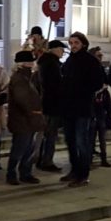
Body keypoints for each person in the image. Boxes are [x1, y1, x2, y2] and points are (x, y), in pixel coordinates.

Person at [61, 32, 106, 187]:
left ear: (83, 44)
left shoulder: (91, 61)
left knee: (82, 142)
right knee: (70, 141)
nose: (73, 46)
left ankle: (83, 174)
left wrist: (81, 89)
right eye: (71, 43)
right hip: (68, 107)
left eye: (76, 43)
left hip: (82, 107)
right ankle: (74, 170)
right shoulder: (69, 60)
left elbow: (98, 83)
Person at [5, 51, 44, 186]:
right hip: (23, 120)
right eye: (31, 61)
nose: (33, 63)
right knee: (20, 148)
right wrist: (32, 112)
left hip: (27, 119)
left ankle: (25, 173)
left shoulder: (26, 77)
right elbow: (22, 99)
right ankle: (12, 173)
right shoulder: (20, 79)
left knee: (28, 147)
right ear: (26, 63)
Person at [36, 40, 65, 173]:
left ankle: (40, 159)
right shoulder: (52, 64)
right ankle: (46, 160)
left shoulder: (45, 62)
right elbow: (55, 85)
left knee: (46, 134)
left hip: (47, 102)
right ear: (54, 49)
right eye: (61, 48)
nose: (63, 51)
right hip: (52, 104)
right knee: (50, 134)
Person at [89, 47, 111, 168]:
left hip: (101, 106)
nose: (101, 58)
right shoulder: (89, 69)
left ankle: (104, 157)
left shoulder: (101, 69)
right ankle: (89, 157)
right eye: (98, 56)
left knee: (102, 136)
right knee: (91, 135)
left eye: (101, 56)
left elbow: (106, 82)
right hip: (92, 107)